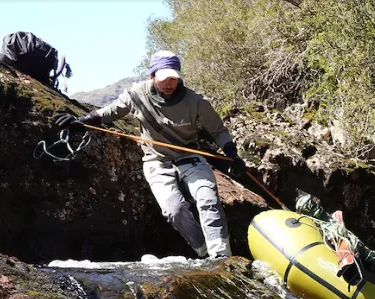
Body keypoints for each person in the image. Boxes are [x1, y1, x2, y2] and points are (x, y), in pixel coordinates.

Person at [52, 51, 245, 258]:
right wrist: (81, 121)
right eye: (163, 78)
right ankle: (204, 253)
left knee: (207, 198)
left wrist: (231, 153)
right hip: (157, 162)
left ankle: (221, 256)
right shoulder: (137, 95)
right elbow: (110, 112)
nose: (169, 84)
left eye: (173, 78)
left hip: (190, 159)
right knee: (174, 210)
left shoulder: (196, 101)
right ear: (152, 76)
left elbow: (218, 131)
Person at [294, 192, 375, 285]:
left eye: (312, 203)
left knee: (355, 243)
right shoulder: (317, 230)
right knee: (348, 244)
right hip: (342, 246)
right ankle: (352, 268)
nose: (314, 206)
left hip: (351, 241)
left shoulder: (335, 216)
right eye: (309, 205)